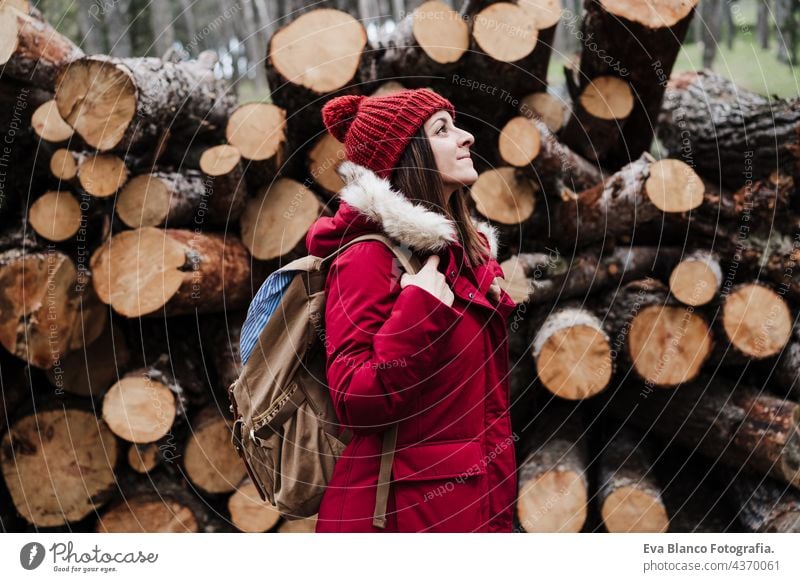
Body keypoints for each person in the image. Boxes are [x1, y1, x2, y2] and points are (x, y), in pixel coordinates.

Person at [306, 88, 518, 533]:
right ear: (406, 158)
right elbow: (355, 400)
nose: (467, 138)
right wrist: (418, 313)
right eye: (442, 129)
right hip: (400, 519)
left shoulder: (455, 257)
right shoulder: (366, 258)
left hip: (465, 506)